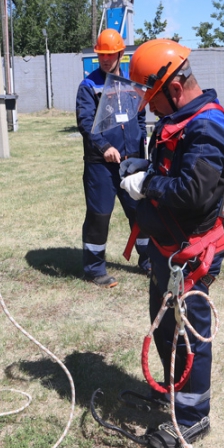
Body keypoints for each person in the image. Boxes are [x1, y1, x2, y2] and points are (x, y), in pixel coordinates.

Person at [120, 39, 224, 448]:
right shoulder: (180, 119)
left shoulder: (208, 127)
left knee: (188, 334)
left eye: (152, 98)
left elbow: (192, 192)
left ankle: (192, 418)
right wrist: (146, 168)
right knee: (166, 325)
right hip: (167, 249)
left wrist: (148, 183)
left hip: (192, 255)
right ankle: (175, 393)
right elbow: (174, 169)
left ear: (174, 88)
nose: (150, 108)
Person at [76, 29, 150, 288]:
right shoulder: (89, 86)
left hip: (132, 163)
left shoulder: (132, 82)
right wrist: (104, 146)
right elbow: (85, 123)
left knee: (142, 213)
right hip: (101, 166)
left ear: (120, 54)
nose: (105, 60)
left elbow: (140, 115)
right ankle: (95, 269)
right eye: (101, 55)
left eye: (110, 55)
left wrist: (142, 145)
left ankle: (148, 260)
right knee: (99, 215)